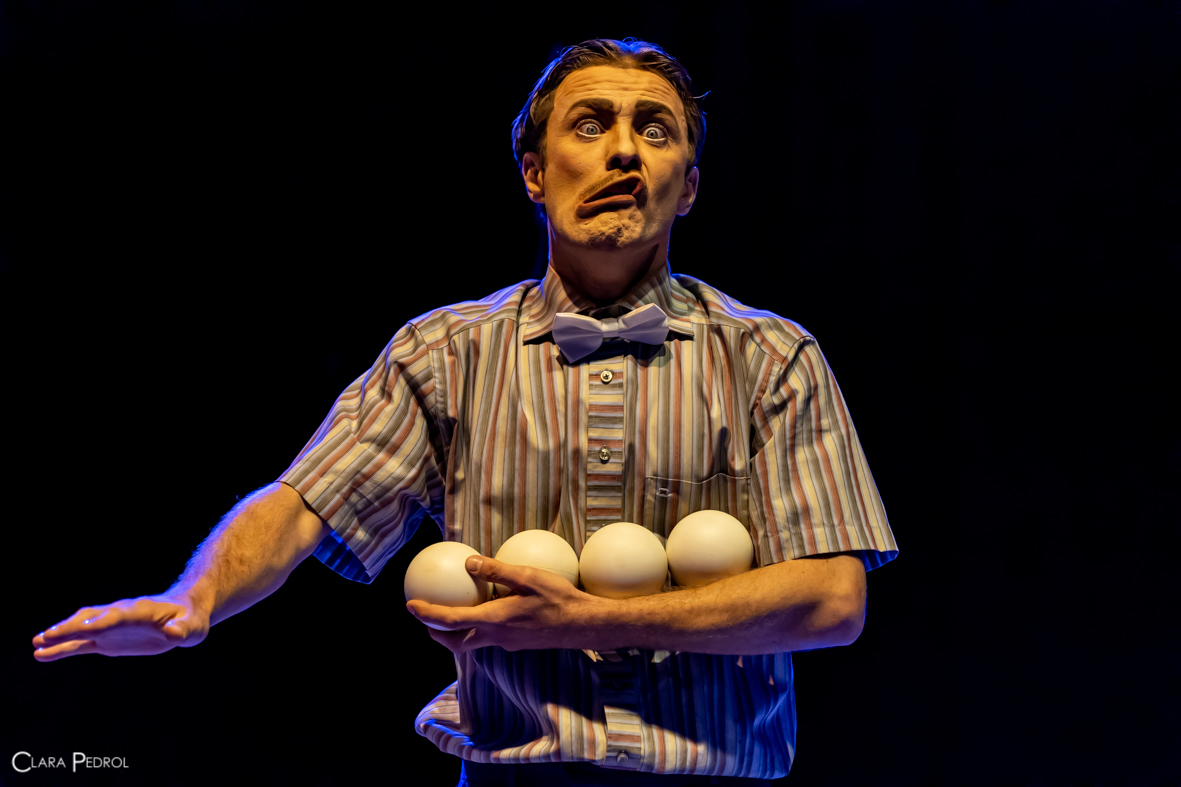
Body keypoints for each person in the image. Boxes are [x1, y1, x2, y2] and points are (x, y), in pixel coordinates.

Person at [33, 39, 898, 786]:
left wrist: (587, 619)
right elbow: (302, 502)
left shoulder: (772, 357)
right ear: (533, 172)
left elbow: (831, 600)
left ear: (689, 186)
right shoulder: (445, 353)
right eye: (589, 125)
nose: (623, 152)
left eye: (654, 130)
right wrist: (194, 598)